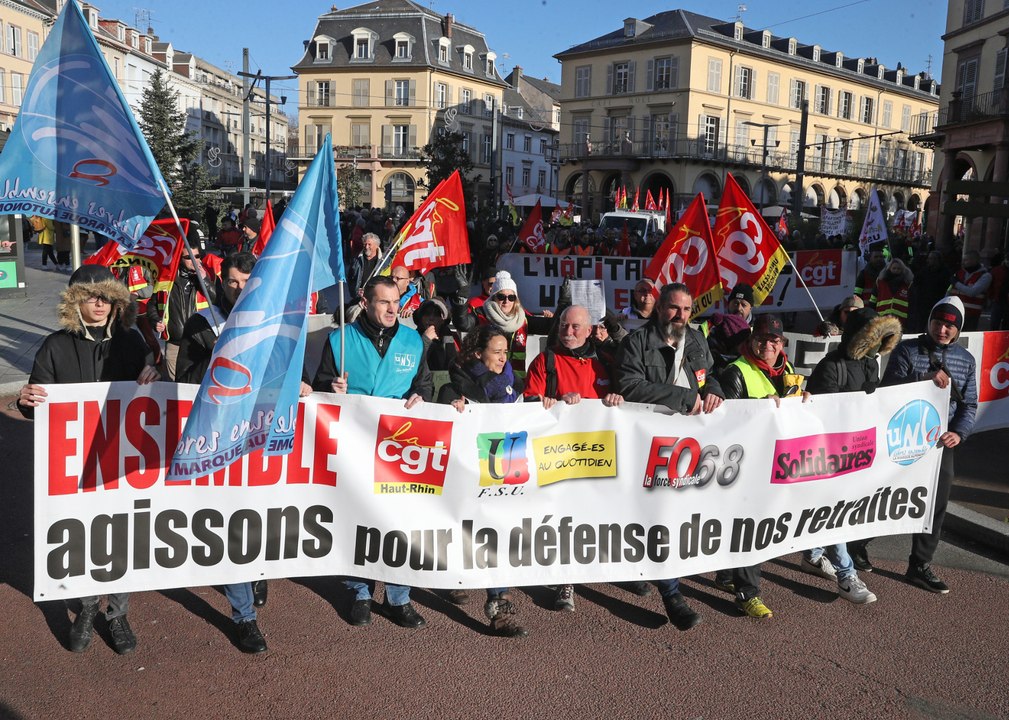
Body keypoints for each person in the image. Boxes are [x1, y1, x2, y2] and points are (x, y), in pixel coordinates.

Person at [17, 265, 160, 654]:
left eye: (107, 297)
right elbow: (38, 404)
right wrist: (25, 401)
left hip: (122, 460)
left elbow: (154, 399)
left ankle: (116, 612)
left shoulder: (131, 343)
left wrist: (153, 374)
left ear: (118, 301)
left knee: (122, 534)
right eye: (91, 296)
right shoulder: (55, 346)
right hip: (74, 464)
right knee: (82, 535)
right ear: (74, 300)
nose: (99, 303)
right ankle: (85, 608)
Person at [312, 275, 433, 629]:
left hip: (399, 442)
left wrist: (421, 395)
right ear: (365, 302)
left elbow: (422, 383)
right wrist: (331, 387)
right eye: (384, 302)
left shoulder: (413, 341)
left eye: (396, 301)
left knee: (398, 520)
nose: (393, 309)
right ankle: (359, 592)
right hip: (355, 442)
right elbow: (320, 386)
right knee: (357, 518)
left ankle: (399, 597)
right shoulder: (340, 340)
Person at [174, 251, 275, 653]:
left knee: (263, 514)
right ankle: (244, 617)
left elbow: (290, 370)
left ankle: (259, 568)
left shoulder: (272, 318)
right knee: (234, 522)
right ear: (220, 280)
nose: (239, 288)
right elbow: (182, 380)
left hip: (263, 435)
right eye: (232, 281)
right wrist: (223, 355)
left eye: (246, 282)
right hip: (219, 439)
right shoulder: (202, 323)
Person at [615, 282, 725, 631]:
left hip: (686, 444)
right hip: (646, 443)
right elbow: (629, 385)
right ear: (660, 308)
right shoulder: (636, 343)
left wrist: (715, 394)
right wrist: (682, 398)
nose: (680, 316)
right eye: (674, 308)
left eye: (687, 310)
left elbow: (711, 377)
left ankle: (643, 570)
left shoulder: (695, 340)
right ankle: (672, 595)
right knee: (651, 514)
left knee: (672, 516)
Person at [524, 305, 633, 612]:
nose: (568, 332)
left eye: (575, 327)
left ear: (589, 331)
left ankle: (617, 569)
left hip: (599, 453)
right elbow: (529, 401)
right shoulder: (545, 361)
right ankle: (566, 580)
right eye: (563, 326)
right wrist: (553, 402)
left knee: (599, 516)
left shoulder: (606, 362)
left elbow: (626, 397)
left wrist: (616, 398)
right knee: (564, 519)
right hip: (557, 455)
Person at [870, 296, 977, 593]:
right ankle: (858, 546)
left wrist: (959, 433)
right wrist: (924, 378)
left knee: (936, 504)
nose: (942, 330)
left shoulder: (966, 360)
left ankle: (919, 565)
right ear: (929, 320)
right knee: (884, 496)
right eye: (938, 322)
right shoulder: (907, 349)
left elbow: (969, 404)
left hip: (942, 444)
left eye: (949, 326)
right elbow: (888, 390)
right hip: (903, 438)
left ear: (958, 330)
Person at [802, 308, 903, 604]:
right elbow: (820, 416)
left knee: (839, 512)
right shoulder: (830, 366)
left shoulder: (872, 363)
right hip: (830, 455)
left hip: (859, 452)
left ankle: (813, 553)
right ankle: (846, 576)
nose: (875, 345)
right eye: (871, 338)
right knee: (836, 514)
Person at [438, 326, 528, 637]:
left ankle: (498, 606)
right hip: (466, 473)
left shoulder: (512, 382)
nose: (504, 358)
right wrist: (452, 404)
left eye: (506, 351)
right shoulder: (460, 380)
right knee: (462, 530)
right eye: (497, 352)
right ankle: (452, 578)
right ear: (479, 354)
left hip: (502, 468)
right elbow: (443, 398)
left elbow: (530, 405)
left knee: (496, 535)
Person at [716, 314, 806, 619]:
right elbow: (723, 425)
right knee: (749, 529)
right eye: (763, 339)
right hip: (744, 465)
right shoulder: (736, 372)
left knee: (749, 526)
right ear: (752, 339)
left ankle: (727, 575)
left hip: (774, 461)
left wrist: (803, 401)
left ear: (782, 344)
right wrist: (758, 411)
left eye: (775, 340)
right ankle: (747, 594)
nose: (768, 345)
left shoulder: (787, 369)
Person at [453, 270, 553, 377]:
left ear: (516, 300)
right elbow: (462, 323)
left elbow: (551, 327)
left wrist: (564, 303)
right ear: (493, 297)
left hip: (515, 383)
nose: (506, 301)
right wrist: (462, 298)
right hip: (487, 380)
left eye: (511, 297)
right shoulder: (481, 314)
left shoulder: (523, 319)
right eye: (501, 297)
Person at [147, 244, 215, 380]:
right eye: (188, 257)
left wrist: (204, 281)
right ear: (179, 258)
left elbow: (217, 299)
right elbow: (152, 305)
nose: (195, 260)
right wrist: (156, 321)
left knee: (199, 383)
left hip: (200, 344)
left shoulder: (206, 277)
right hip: (175, 344)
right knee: (178, 386)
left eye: (197, 256)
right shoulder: (166, 280)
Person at [948, 249, 991, 332]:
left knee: (966, 338)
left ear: (975, 260)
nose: (963, 262)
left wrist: (956, 283)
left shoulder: (985, 276)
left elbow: (972, 292)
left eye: (966, 260)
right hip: (955, 311)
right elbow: (950, 289)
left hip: (971, 314)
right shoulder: (960, 273)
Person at [871, 257, 913, 327]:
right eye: (894, 268)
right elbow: (873, 300)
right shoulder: (880, 282)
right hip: (881, 319)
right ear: (889, 268)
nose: (896, 270)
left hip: (900, 321)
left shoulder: (908, 284)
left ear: (902, 270)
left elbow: (912, 304)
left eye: (898, 268)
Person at [349, 232, 382, 298]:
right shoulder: (356, 260)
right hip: (359, 298)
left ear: (377, 246)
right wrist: (355, 291)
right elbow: (350, 278)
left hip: (377, 298)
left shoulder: (384, 261)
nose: (366, 247)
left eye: (369, 244)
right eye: (365, 244)